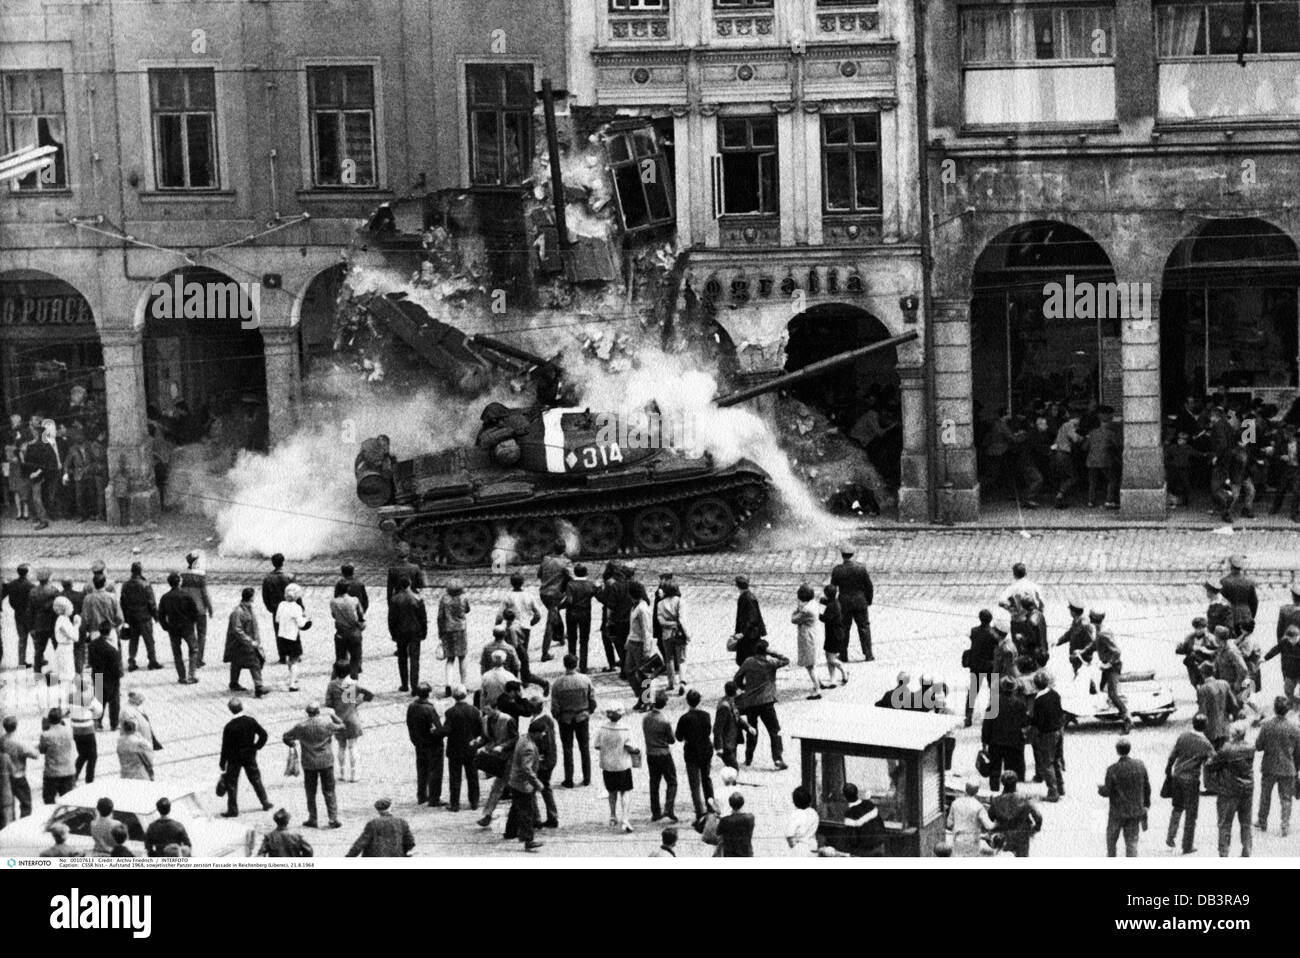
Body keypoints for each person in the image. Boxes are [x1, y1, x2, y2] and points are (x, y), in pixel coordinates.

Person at [283, 702, 345, 829]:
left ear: (307, 713)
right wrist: (333, 715)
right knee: (329, 791)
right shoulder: (326, 724)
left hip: (309, 763)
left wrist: (292, 744)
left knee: (310, 792)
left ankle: (313, 818)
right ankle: (333, 819)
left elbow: (286, 736)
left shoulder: (300, 726)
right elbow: (343, 726)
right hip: (326, 762)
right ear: (318, 712)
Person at [734, 640, 790, 771]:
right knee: (774, 731)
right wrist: (773, 652)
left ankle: (748, 758)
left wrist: (744, 688)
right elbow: (786, 660)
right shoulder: (771, 663)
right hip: (766, 702)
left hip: (750, 703)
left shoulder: (748, 662)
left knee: (752, 730)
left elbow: (737, 678)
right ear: (766, 651)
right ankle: (777, 759)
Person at [1164, 713, 1213, 854]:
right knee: (1191, 814)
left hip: (1177, 776)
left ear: (1192, 723)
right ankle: (1187, 845)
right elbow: (1213, 760)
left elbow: (1172, 756)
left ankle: (1170, 837)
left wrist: (1168, 770)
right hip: (1191, 780)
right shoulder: (1205, 743)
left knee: (1177, 808)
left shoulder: (1183, 736)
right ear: (1205, 726)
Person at [1205, 723, 1255, 857]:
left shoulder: (1227, 749)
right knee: (1245, 823)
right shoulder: (1251, 747)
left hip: (1229, 790)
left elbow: (1210, 766)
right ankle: (1247, 851)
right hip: (1247, 789)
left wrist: (1210, 756)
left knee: (1225, 824)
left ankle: (1224, 854)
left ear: (1233, 734)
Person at [501, 710, 546, 852]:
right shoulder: (529, 748)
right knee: (527, 812)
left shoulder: (523, 739)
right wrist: (537, 784)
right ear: (535, 733)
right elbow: (526, 769)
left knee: (516, 808)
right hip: (523, 784)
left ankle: (510, 832)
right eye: (542, 733)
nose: (543, 735)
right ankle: (528, 840)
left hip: (514, 781)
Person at [219, 697, 273, 817]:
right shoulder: (250, 721)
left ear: (230, 710)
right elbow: (263, 734)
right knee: (255, 779)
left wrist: (222, 762)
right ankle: (265, 802)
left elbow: (225, 746)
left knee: (232, 783)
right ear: (242, 707)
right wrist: (256, 747)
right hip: (249, 755)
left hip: (234, 758)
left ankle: (233, 810)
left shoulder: (229, 726)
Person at [1255, 695, 1300, 836]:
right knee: (1286, 799)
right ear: (1287, 710)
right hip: (1288, 768)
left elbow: (1258, 746)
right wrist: (1296, 769)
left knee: (1265, 795)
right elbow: (1298, 752)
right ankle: (1285, 825)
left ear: (1274, 709)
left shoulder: (1266, 725)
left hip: (1269, 766)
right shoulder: (1295, 728)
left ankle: (1262, 821)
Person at [551, 654, 596, 788]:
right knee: (584, 748)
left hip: (565, 719)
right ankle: (587, 778)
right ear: (576, 664)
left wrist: (558, 717)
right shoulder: (585, 680)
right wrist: (588, 712)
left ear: (564, 665)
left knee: (567, 749)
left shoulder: (558, 683)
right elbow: (592, 700)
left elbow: (555, 706)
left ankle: (569, 779)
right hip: (582, 716)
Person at [1099, 737, 1150, 857]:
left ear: (1117, 751)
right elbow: (1147, 787)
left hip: (1117, 812)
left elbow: (1107, 791)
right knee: (1131, 843)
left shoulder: (1112, 769)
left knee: (1111, 840)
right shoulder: (1140, 765)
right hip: (1135, 810)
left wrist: (1100, 789)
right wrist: (1146, 805)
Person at [324, 661, 374, 783]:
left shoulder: (331, 685)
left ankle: (341, 773)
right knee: (353, 747)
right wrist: (358, 702)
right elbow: (370, 695)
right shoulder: (353, 684)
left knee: (341, 746)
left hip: (338, 719)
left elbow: (328, 703)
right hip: (352, 718)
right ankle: (354, 774)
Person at [1087, 608, 1131, 733]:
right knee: (1101, 688)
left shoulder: (1103, 633)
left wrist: (1108, 665)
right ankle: (1111, 711)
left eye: (1090, 617)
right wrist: (1083, 651)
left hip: (1113, 667)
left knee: (1113, 694)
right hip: (1107, 666)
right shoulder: (1100, 630)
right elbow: (1095, 645)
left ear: (1093, 620)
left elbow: (1117, 651)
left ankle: (1127, 718)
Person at [595, 706, 637, 832]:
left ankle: (613, 816)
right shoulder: (625, 729)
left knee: (611, 791)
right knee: (625, 792)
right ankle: (625, 818)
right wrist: (636, 751)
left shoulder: (602, 728)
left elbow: (597, 745)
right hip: (622, 764)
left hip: (608, 765)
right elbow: (630, 747)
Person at [981, 676, 1027, 791]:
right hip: (1013, 743)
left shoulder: (994, 703)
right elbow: (1024, 723)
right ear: (1014, 689)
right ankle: (1009, 791)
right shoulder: (1020, 704)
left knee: (994, 770)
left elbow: (987, 724)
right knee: (1010, 769)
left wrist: (984, 741)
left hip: (995, 742)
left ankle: (994, 791)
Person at [675, 688, 714, 823]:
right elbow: (708, 731)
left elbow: (678, 737)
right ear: (700, 701)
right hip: (706, 749)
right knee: (706, 779)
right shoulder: (706, 715)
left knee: (695, 784)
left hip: (691, 752)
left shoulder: (684, 718)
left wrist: (687, 738)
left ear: (687, 702)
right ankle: (711, 807)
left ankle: (700, 812)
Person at [830, 545, 874, 660]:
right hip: (860, 602)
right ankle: (868, 654)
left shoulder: (837, 570)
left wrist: (832, 604)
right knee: (864, 628)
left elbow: (832, 589)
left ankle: (843, 655)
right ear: (853, 554)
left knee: (844, 628)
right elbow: (869, 586)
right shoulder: (861, 568)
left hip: (844, 604)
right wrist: (868, 600)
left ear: (842, 555)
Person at [443, 686, 482, 812]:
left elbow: (447, 730)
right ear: (466, 695)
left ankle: (455, 804)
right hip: (470, 748)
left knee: (455, 777)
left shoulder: (450, 712)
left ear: (454, 697)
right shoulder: (474, 711)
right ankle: (474, 802)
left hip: (454, 749)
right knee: (472, 776)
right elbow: (479, 730)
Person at [1027, 670, 1065, 801]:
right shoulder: (1055, 694)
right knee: (1057, 760)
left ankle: (1053, 792)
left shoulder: (1039, 700)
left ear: (1036, 685)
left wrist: (1029, 720)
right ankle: (1061, 787)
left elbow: (1039, 721)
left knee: (1047, 763)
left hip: (1047, 733)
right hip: (1059, 730)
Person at [406, 683, 446, 807]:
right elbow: (438, 728)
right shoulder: (429, 709)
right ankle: (434, 797)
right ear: (428, 694)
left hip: (419, 743)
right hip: (433, 744)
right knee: (434, 771)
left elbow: (409, 724)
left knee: (422, 770)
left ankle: (422, 795)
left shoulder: (412, 706)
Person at [157, 571, 201, 684]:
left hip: (173, 628)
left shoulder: (165, 597)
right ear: (179, 582)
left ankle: (182, 676)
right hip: (187, 627)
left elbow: (161, 614)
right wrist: (192, 622)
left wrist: (165, 626)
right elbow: (195, 612)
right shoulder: (186, 595)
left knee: (177, 653)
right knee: (194, 649)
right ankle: (191, 675)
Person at [988, 771, 1042, 857]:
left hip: (1003, 836)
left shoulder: (995, 801)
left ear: (1002, 783)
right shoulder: (1024, 798)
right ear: (1016, 783)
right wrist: (1036, 828)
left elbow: (990, 818)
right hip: (1022, 836)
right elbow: (1038, 817)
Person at [225, 587, 267, 697]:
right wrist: (250, 641)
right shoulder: (238, 612)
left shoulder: (247, 609)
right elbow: (237, 630)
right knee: (254, 662)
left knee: (237, 663)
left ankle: (234, 683)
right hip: (243, 643)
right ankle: (259, 687)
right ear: (251, 597)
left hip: (243, 643)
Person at [643, 690, 678, 823]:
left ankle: (655, 811)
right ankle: (669, 808)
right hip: (664, 754)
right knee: (672, 781)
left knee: (654, 782)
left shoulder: (646, 718)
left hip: (650, 753)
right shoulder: (664, 720)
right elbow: (672, 740)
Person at [119, 561, 161, 672]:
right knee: (149, 640)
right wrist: (156, 616)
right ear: (140, 571)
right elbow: (151, 602)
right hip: (144, 617)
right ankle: (152, 661)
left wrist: (125, 617)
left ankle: (131, 661)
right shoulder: (145, 584)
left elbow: (122, 602)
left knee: (133, 640)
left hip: (131, 617)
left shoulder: (125, 585)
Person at [390, 575, 428, 694]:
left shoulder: (394, 599)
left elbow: (391, 619)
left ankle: (404, 684)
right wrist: (424, 632)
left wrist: (393, 633)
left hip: (400, 632)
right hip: (415, 632)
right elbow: (423, 618)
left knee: (402, 659)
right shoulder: (417, 598)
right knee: (414, 659)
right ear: (409, 585)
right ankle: (415, 686)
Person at [527, 697, 559, 828]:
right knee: (545, 788)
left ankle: (537, 819)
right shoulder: (548, 719)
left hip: (543, 762)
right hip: (550, 759)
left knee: (533, 788)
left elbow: (543, 744)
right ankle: (552, 816)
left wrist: (537, 758)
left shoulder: (539, 723)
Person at [272, 582, 310, 693]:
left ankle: (292, 677)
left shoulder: (281, 605)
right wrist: (307, 619)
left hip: (282, 635)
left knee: (289, 659)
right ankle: (292, 684)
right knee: (294, 660)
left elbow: (277, 619)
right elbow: (301, 624)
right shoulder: (297, 608)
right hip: (292, 636)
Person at [537, 540, 571, 663]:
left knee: (555, 613)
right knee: (550, 623)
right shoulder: (566, 562)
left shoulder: (546, 559)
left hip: (544, 594)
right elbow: (572, 577)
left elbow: (539, 575)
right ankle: (544, 653)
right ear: (564, 549)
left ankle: (561, 637)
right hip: (555, 595)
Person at [965, 609, 1000, 726]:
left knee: (972, 692)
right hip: (991, 666)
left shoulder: (974, 631)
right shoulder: (994, 634)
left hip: (976, 665)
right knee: (994, 691)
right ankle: (993, 717)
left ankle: (968, 717)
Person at [179, 551, 214, 670]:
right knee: (202, 634)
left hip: (187, 610)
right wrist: (210, 608)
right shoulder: (200, 576)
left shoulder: (182, 575)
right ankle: (199, 659)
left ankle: (192, 653)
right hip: (200, 610)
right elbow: (205, 595)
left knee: (190, 633)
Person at [347, 798, 415, 857]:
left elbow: (360, 843)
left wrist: (349, 857)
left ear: (378, 810)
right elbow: (410, 842)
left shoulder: (373, 823)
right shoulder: (402, 822)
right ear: (390, 808)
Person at [561, 563, 597, 672]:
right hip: (585, 614)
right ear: (586, 573)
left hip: (571, 614)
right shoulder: (590, 584)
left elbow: (569, 600)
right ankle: (583, 666)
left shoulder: (570, 584)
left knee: (572, 639)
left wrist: (561, 606)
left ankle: (572, 664)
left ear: (575, 573)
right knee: (584, 640)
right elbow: (597, 593)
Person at [790, 584, 824, 699]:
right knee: (812, 662)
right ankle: (819, 682)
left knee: (809, 666)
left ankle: (817, 688)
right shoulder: (813, 604)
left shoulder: (806, 610)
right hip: (814, 634)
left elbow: (794, 619)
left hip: (807, 638)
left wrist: (797, 610)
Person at [67, 675, 103, 784]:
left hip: (76, 729)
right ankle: (89, 780)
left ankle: (74, 776)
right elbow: (98, 710)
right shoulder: (90, 698)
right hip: (87, 728)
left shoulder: (70, 697)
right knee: (92, 756)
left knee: (82, 754)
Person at [435, 580, 468, 694]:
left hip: (447, 629)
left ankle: (448, 684)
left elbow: (440, 617)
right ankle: (462, 684)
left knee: (450, 658)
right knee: (462, 657)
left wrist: (440, 632)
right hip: (460, 629)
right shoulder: (463, 598)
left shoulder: (444, 600)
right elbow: (467, 610)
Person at [656, 572, 687, 693]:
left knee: (668, 659)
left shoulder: (660, 603)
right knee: (682, 659)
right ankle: (682, 682)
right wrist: (686, 633)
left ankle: (670, 683)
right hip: (679, 633)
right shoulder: (680, 601)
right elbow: (682, 620)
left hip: (666, 634)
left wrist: (669, 624)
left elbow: (660, 620)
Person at [2, 716, 38, 819]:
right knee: (26, 803)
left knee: (8, 805)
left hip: (5, 777)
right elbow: (35, 755)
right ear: (16, 726)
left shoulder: (2, 740)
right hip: (18, 776)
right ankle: (23, 824)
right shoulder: (19, 742)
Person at [1196, 662, 1238, 749]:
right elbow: (1234, 704)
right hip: (1225, 727)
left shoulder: (1202, 690)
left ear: (1202, 674)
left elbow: (1202, 713)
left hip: (1211, 731)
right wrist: (1233, 719)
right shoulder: (1224, 684)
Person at [329, 580, 366, 679]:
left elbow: (333, 615)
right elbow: (361, 614)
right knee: (355, 660)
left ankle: (337, 683)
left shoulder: (333, 601)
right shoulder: (355, 600)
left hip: (340, 633)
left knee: (340, 659)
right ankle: (352, 686)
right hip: (354, 632)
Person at [947, 780, 994, 856]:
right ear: (977, 791)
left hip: (958, 839)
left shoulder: (955, 803)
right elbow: (988, 826)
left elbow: (949, 823)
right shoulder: (979, 806)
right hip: (973, 840)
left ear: (965, 789)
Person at [38, 708, 76, 803]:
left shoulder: (45, 735)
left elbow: (42, 750)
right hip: (68, 770)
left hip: (52, 772)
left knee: (49, 800)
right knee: (68, 800)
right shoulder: (69, 731)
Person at [261, 553, 293, 664]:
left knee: (279, 632)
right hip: (290, 607)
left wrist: (270, 608)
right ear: (283, 562)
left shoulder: (268, 578)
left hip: (277, 609)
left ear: (273, 563)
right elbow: (296, 593)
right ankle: (293, 655)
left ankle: (282, 657)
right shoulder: (289, 576)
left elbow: (265, 596)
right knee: (292, 630)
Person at [2, 564, 35, 669]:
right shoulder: (31, 586)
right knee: (35, 638)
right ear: (27, 573)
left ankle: (21, 663)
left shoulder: (11, 584)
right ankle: (39, 660)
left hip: (18, 613)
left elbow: (2, 595)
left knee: (22, 638)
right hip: (29, 614)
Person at [713, 681, 751, 772]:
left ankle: (732, 783)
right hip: (727, 744)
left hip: (732, 741)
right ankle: (732, 784)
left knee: (732, 768)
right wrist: (719, 747)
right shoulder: (724, 707)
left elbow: (737, 718)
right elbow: (718, 728)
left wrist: (748, 727)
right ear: (735, 691)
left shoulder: (730, 701)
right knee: (734, 768)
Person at [731, 575, 767, 666]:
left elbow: (752, 618)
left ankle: (748, 678)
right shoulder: (746, 597)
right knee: (742, 659)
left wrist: (742, 633)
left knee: (746, 659)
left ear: (737, 586)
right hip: (748, 634)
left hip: (750, 635)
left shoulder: (748, 598)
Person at [819, 583, 848, 689]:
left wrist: (817, 614)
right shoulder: (834, 602)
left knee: (831, 659)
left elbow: (825, 619)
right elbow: (827, 601)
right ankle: (833, 679)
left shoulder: (832, 606)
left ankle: (844, 670)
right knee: (829, 658)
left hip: (834, 636)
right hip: (833, 634)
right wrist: (820, 600)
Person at [1219, 555, 1259, 633]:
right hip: (1247, 617)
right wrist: (1250, 616)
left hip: (1231, 617)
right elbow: (1255, 602)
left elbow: (1221, 603)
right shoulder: (1249, 581)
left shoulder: (1224, 582)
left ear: (1230, 566)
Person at [1265, 624, 1300, 708]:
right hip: (1290, 672)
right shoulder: (1284, 642)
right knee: (1287, 691)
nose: (1292, 641)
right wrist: (1265, 658)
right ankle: (1296, 703)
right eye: (1289, 639)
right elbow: (1275, 649)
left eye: (1294, 639)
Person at [1176, 617, 1215, 689]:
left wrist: (1205, 650)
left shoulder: (1211, 638)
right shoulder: (1189, 637)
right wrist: (1183, 648)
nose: (1198, 631)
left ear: (1205, 628)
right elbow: (1183, 650)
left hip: (1206, 664)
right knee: (1195, 684)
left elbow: (1218, 651)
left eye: (1201, 628)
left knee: (1207, 684)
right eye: (1197, 628)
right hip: (1193, 667)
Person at [716, 792, 756, 857]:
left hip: (729, 855)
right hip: (746, 854)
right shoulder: (750, 818)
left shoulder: (724, 820)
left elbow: (717, 832)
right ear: (742, 803)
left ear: (730, 804)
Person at [50, 595, 79, 684]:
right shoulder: (62, 621)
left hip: (66, 648)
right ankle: (65, 694)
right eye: (70, 607)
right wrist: (77, 625)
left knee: (66, 673)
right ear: (64, 609)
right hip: (64, 649)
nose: (72, 608)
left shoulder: (64, 619)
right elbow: (75, 637)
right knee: (66, 674)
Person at [785, 785, 820, 855]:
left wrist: (794, 846)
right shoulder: (813, 813)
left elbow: (789, 835)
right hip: (812, 848)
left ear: (795, 801)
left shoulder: (796, 814)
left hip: (799, 849)